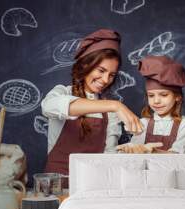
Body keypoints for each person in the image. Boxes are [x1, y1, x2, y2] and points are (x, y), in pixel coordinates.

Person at [41, 28, 143, 175]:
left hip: (93, 183)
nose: (106, 80)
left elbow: (110, 155)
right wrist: (115, 105)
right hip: (57, 183)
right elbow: (47, 107)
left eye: (111, 75)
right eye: (101, 71)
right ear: (85, 65)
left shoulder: (111, 112)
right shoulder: (62, 92)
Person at [117, 55, 185, 154]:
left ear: (177, 97)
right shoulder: (143, 123)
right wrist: (129, 150)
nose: (156, 101)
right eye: (151, 95)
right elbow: (136, 151)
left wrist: (153, 151)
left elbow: (178, 156)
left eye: (163, 95)